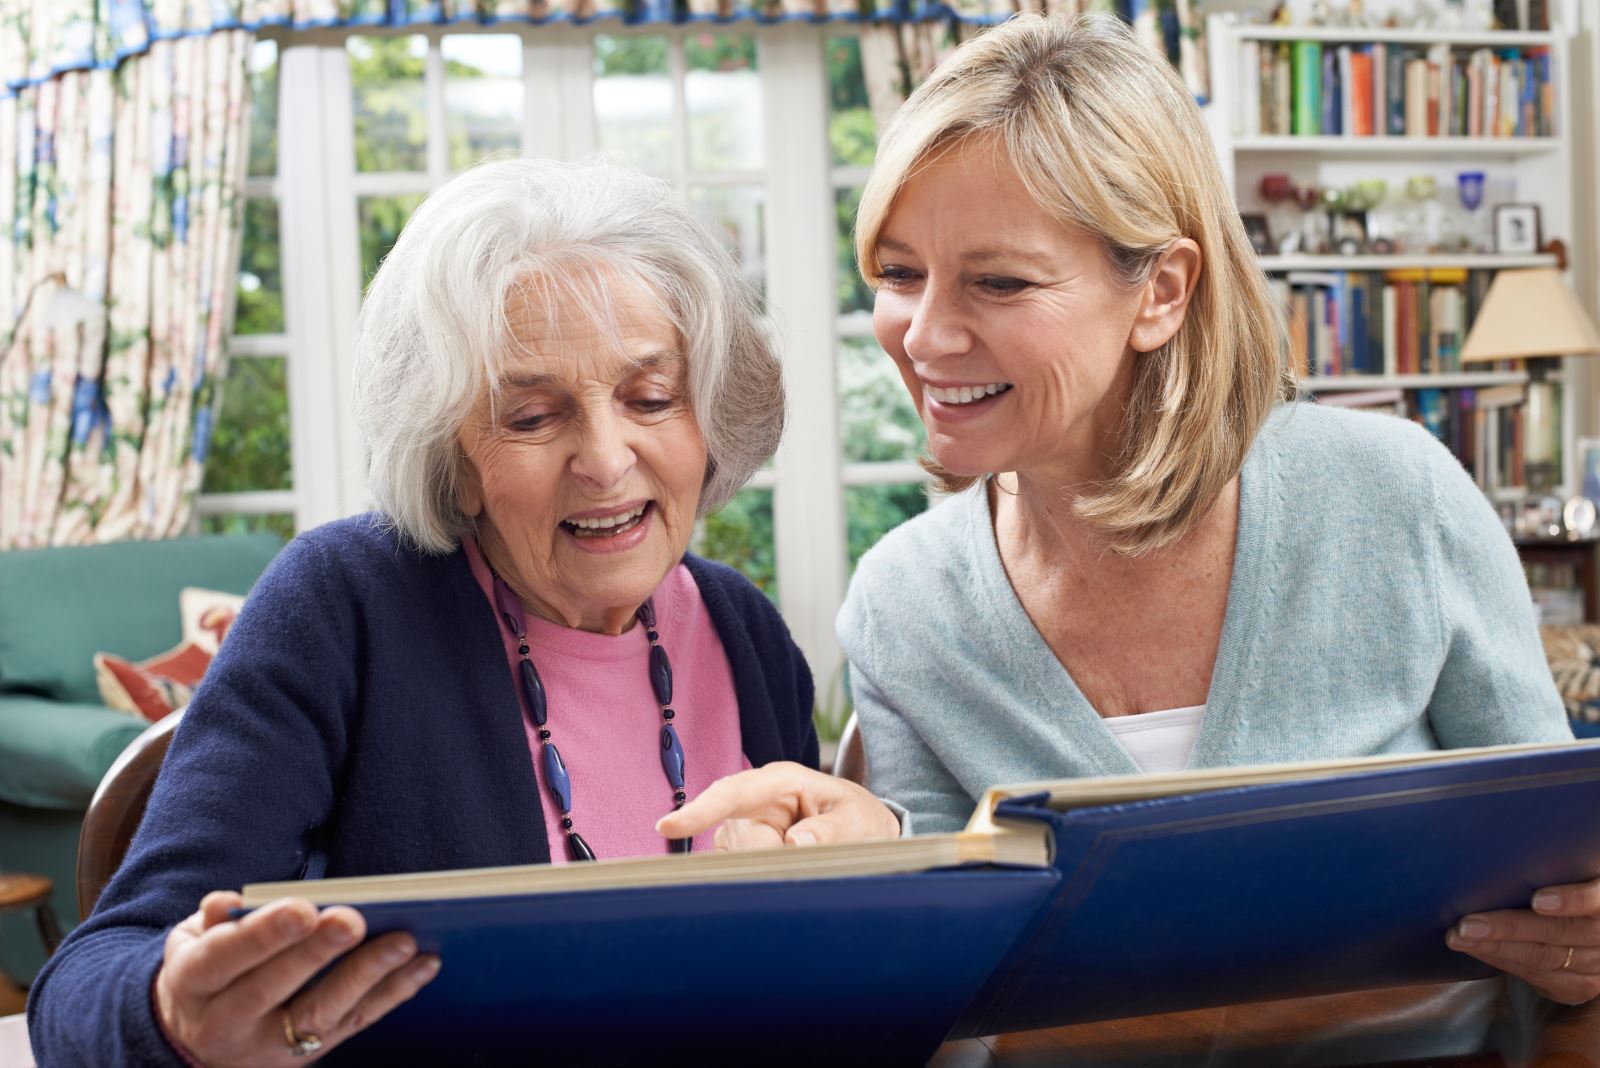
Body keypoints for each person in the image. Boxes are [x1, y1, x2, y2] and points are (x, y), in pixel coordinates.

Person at [678, 13, 1600, 1008]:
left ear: (1161, 290)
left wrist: (1581, 945)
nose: (925, 334)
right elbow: (947, 968)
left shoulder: (1394, 500)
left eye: (997, 281)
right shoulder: (903, 601)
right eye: (899, 275)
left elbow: (1554, 879)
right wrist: (876, 855)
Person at [26, 156, 890, 1066]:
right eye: (530, 417)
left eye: (650, 397)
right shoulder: (344, 608)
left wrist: (873, 896)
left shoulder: (745, 634)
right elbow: (91, 981)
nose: (605, 458)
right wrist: (175, 1017)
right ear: (454, 459)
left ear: (706, 419)